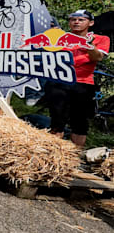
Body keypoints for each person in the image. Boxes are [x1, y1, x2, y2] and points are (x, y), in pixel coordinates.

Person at [43, 10, 110, 148]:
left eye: (81, 19)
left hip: (83, 84)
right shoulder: (61, 38)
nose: (76, 22)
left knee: (79, 123)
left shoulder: (101, 39)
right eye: (73, 19)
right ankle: (54, 155)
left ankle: (76, 154)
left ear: (90, 23)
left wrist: (88, 44)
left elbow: (97, 57)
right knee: (57, 121)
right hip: (59, 82)